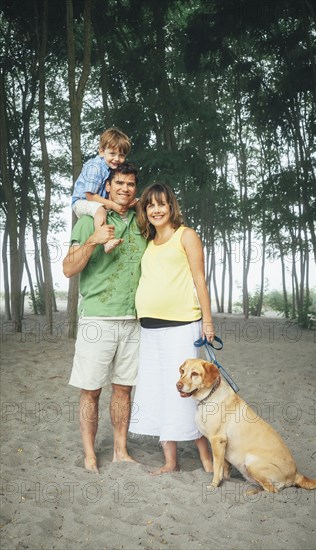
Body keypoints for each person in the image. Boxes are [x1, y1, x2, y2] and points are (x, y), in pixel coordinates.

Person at [63, 162, 146, 472]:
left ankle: (120, 451)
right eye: (119, 183)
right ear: (107, 187)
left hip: (134, 320)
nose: (124, 188)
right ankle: (89, 454)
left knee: (124, 388)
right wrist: (94, 240)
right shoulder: (89, 221)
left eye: (130, 184)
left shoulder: (142, 221)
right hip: (97, 320)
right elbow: (69, 268)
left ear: (135, 189)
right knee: (91, 390)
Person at [129, 183, 215, 475]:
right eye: (150, 205)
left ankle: (207, 460)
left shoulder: (186, 235)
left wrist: (208, 320)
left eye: (162, 204)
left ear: (171, 207)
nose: (156, 210)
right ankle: (170, 461)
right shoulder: (147, 241)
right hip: (150, 328)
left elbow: (199, 278)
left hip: (182, 326)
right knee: (160, 391)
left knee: (189, 391)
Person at [72, 127, 137, 253]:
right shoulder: (95, 167)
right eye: (112, 154)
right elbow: (90, 196)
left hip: (96, 202)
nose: (117, 159)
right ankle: (105, 242)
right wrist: (112, 205)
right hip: (81, 202)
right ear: (101, 152)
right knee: (100, 210)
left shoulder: (111, 167)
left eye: (121, 155)